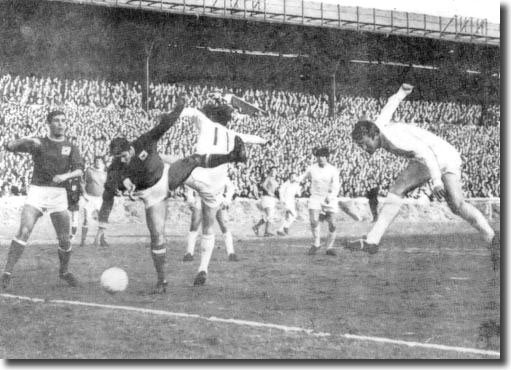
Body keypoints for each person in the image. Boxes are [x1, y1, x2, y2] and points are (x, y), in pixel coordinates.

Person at [95, 96, 247, 293]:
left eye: (124, 156)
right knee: (157, 237)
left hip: (166, 177)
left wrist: (179, 108)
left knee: (194, 160)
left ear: (130, 148)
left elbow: (165, 125)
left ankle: (233, 156)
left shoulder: (144, 141)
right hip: (152, 196)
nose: (122, 160)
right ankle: (162, 280)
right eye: (118, 158)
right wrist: (102, 226)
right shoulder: (115, 167)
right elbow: (108, 195)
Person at [346, 83, 499, 260]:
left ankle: (372, 241)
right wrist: (401, 92)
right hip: (447, 153)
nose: (364, 148)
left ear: (374, 135)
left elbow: (426, 153)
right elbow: (389, 106)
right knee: (457, 205)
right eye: (360, 146)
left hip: (438, 156)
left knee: (400, 189)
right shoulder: (378, 127)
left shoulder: (396, 139)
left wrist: (436, 181)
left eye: (364, 143)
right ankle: (493, 239)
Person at [179, 99, 267, 286]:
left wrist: (173, 114)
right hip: (214, 186)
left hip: (196, 175)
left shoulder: (205, 121)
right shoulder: (233, 134)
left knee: (168, 168)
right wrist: (265, 140)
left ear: (211, 115)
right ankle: (203, 268)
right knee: (209, 227)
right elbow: (252, 138)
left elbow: (192, 111)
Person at [1, 110, 83, 289]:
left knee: (65, 239)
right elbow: (9, 146)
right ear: (49, 123)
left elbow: (79, 170)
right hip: (37, 192)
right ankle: (7, 273)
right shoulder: (39, 143)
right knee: (24, 230)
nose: (60, 124)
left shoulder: (71, 146)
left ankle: (64, 272)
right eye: (56, 120)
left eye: (63, 120)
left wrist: (65, 176)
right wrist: (25, 139)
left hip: (58, 194)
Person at [296, 147, 340, 256]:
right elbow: (303, 177)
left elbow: (336, 186)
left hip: (330, 199)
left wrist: (331, 196)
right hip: (315, 198)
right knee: (314, 220)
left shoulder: (333, 170)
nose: (320, 158)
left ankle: (329, 247)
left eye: (323, 156)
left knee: (333, 224)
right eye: (318, 156)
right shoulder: (312, 168)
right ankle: (316, 243)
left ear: (327, 157)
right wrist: (295, 179)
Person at [183, 180, 238, 262]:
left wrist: (226, 200)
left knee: (223, 224)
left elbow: (230, 187)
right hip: (200, 199)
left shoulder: (218, 171)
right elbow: (190, 184)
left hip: (217, 199)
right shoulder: (199, 171)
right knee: (194, 224)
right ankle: (189, 253)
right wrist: (190, 199)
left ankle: (231, 253)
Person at [80, 155, 107, 247]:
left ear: (103, 163)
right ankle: (83, 241)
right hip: (90, 198)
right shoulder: (89, 170)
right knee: (86, 220)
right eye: (96, 161)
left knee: (102, 220)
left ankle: (102, 240)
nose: (98, 162)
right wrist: (84, 194)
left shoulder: (105, 173)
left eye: (100, 161)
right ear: (94, 162)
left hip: (101, 199)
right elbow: (82, 182)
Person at [252, 167, 279, 237]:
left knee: (268, 216)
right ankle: (267, 232)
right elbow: (263, 185)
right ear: (270, 172)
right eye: (272, 171)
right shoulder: (268, 178)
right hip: (266, 197)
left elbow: (275, 190)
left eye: (274, 171)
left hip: (272, 199)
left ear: (276, 172)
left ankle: (256, 227)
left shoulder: (275, 180)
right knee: (269, 215)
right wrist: (268, 191)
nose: (273, 172)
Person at [276, 172, 301, 236]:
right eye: (292, 177)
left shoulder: (296, 184)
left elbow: (298, 193)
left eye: (294, 177)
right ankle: (282, 229)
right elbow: (280, 192)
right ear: (289, 177)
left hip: (291, 202)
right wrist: (283, 201)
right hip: (285, 202)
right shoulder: (286, 184)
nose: (293, 178)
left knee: (290, 217)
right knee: (292, 215)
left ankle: (284, 228)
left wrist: (298, 195)